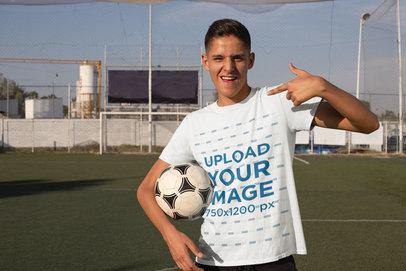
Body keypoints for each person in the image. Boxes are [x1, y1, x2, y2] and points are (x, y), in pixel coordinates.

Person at [137, 19, 379, 271]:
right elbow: (145, 189)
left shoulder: (278, 102)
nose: (228, 68)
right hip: (212, 259)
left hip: (272, 261)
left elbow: (368, 123)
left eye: (238, 58)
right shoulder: (193, 124)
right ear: (205, 61)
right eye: (218, 58)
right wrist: (169, 234)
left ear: (250, 60)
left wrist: (323, 87)